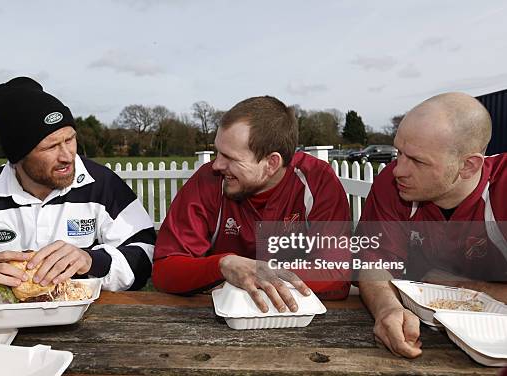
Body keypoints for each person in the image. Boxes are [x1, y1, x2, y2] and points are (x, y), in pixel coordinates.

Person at [0, 77, 155, 325]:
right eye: (50, 147)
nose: (68, 156)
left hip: (96, 329)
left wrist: (92, 260)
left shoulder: (103, 185)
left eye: (69, 140)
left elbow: (145, 255)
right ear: (18, 156)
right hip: (8, 341)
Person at [152, 96, 352, 313]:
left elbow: (337, 276)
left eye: (230, 157)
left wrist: (257, 274)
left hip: (301, 320)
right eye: (218, 152)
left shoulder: (316, 180)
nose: (217, 164)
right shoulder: (209, 180)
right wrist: (224, 265)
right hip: (222, 321)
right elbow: (165, 270)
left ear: (271, 163)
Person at [357, 92, 506, 358]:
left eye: (417, 160)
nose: (398, 170)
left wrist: (480, 289)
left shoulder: (502, 190)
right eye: (399, 153)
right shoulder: (392, 187)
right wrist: (387, 308)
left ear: (468, 166)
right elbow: (373, 263)